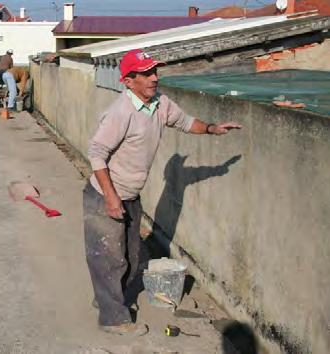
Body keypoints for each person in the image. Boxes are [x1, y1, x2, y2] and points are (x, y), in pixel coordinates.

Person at [84, 49, 241, 337]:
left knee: (131, 258)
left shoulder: (160, 104)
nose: (154, 78)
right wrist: (110, 197)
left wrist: (211, 129)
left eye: (155, 71)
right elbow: (96, 153)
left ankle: (107, 298)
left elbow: (185, 122)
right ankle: (112, 318)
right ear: (128, 81)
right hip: (104, 193)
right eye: (146, 73)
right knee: (109, 257)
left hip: (130, 194)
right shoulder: (121, 113)